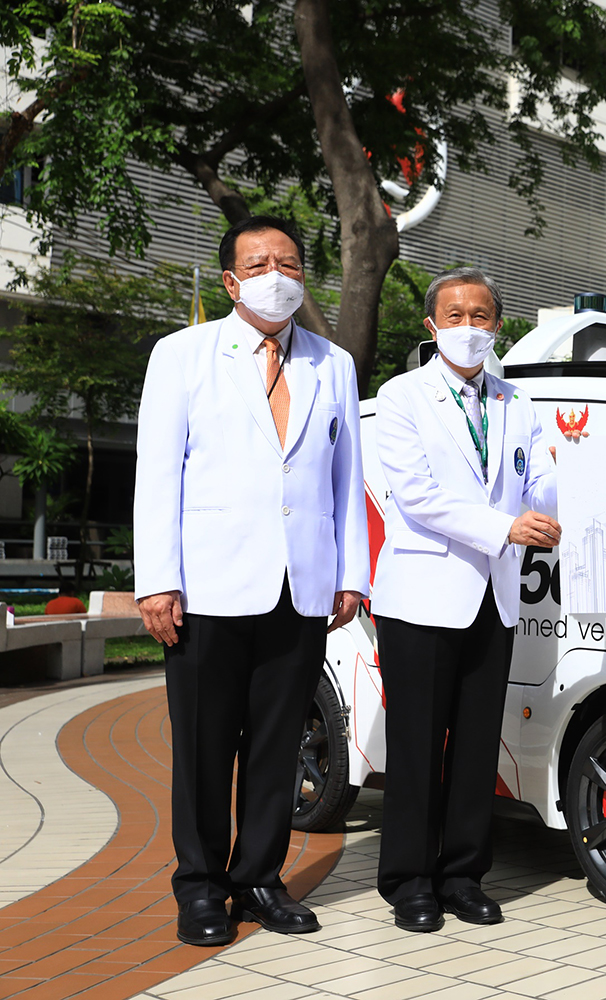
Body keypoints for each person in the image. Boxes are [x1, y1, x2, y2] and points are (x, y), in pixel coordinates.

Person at [134, 216, 367, 946]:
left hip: (300, 588)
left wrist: (349, 574)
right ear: (232, 281)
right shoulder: (183, 354)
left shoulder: (333, 363)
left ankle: (260, 877)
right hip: (206, 588)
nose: (277, 273)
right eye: (260, 262)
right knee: (204, 747)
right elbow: (156, 473)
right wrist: (156, 581)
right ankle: (200, 887)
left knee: (276, 746)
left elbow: (345, 476)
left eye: (290, 262)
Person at [371, 266, 561, 932]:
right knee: (419, 743)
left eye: (481, 315)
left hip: (494, 595)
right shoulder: (402, 398)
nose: (469, 328)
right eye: (455, 316)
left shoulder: (519, 404)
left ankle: (462, 875)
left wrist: (561, 503)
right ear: (431, 326)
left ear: (498, 325)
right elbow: (418, 498)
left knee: (479, 745)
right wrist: (506, 526)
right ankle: (409, 882)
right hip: (421, 596)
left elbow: (541, 478)